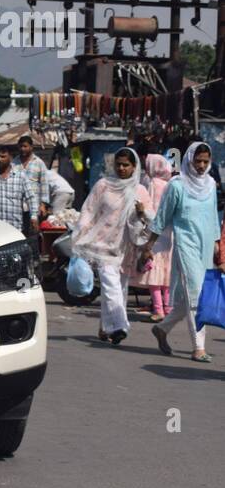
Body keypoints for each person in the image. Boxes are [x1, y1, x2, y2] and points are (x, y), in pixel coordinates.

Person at [71, 147, 152, 345]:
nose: (122, 168)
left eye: (126, 165)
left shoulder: (140, 191)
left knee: (119, 288)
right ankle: (120, 326)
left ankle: (106, 327)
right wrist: (80, 232)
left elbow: (152, 219)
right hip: (102, 244)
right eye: (119, 164)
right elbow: (89, 210)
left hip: (125, 247)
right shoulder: (103, 185)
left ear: (134, 167)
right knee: (110, 284)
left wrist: (142, 213)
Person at [148, 141, 218, 362]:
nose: (201, 165)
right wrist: (148, 246)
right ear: (189, 159)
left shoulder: (211, 185)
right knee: (195, 294)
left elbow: (214, 217)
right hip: (185, 245)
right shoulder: (177, 186)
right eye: (198, 161)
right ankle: (199, 347)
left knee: (193, 297)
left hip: (205, 246)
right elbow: (162, 218)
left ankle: (162, 328)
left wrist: (217, 245)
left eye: (206, 161)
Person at [131, 153, 174, 321]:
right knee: (167, 273)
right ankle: (169, 308)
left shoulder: (151, 183)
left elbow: (148, 208)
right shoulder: (170, 184)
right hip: (170, 233)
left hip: (155, 233)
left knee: (153, 272)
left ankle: (158, 310)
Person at [0, 146, 36, 237]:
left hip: (14, 229)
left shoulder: (20, 177)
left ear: (10, 158)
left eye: (3, 157)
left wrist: (33, 217)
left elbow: (31, 198)